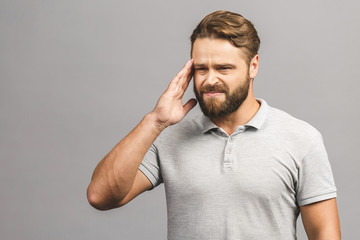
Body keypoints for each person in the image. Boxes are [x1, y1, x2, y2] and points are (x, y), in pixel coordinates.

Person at [87, 10, 341, 239]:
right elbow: (101, 197)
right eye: (201, 68)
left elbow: (324, 233)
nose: (210, 80)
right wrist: (155, 121)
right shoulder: (169, 137)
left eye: (224, 68)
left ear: (253, 66)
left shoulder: (301, 138)